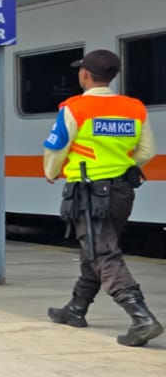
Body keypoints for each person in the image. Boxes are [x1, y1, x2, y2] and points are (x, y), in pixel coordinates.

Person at [43, 49, 162, 346]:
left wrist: (51, 171)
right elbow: (147, 152)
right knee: (98, 247)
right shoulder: (134, 108)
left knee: (101, 253)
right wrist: (123, 166)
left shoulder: (74, 108)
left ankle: (141, 317)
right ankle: (76, 308)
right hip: (122, 192)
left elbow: (57, 148)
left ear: (84, 75)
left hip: (88, 192)